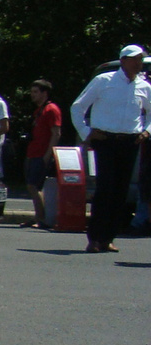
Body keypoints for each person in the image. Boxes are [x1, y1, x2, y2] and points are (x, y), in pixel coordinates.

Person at [70, 43, 150, 253]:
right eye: (134, 59)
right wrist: (86, 133)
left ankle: (108, 237)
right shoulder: (103, 81)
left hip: (130, 141)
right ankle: (95, 237)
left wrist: (147, 131)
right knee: (106, 189)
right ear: (123, 60)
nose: (138, 63)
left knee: (120, 192)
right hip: (106, 140)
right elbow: (78, 107)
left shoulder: (144, 86)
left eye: (140, 59)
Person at [22, 79, 63, 227]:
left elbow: (56, 133)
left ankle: (42, 218)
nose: (32, 95)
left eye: (35, 92)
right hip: (33, 152)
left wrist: (48, 154)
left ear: (45, 93)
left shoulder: (51, 109)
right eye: (32, 92)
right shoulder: (38, 110)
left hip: (41, 153)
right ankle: (38, 216)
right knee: (31, 185)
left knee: (33, 185)